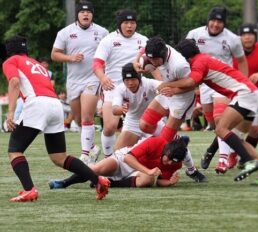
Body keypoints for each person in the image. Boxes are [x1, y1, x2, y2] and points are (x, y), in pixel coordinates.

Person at [2, 35, 110, 202]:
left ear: (8, 51)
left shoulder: (11, 61)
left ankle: (29, 189)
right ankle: (98, 180)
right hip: (55, 105)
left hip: (37, 104)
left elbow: (14, 82)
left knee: (15, 151)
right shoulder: (37, 64)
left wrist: (10, 112)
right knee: (59, 157)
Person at [159, 39, 258, 185]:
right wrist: (174, 90)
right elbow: (192, 84)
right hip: (252, 94)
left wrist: (166, 84)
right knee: (236, 138)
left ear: (186, 57)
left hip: (244, 95)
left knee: (221, 129)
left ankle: (248, 161)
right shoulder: (203, 59)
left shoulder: (199, 62)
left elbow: (190, 82)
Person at [134, 37, 207, 182]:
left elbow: (192, 85)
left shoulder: (180, 65)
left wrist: (173, 90)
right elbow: (142, 52)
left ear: (163, 54)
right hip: (168, 90)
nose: (153, 63)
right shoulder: (157, 49)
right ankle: (178, 140)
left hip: (181, 98)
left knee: (164, 144)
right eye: (151, 59)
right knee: (145, 125)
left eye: (155, 60)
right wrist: (138, 62)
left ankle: (191, 170)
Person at [186, 6, 249, 173]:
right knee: (215, 124)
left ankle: (223, 160)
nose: (215, 24)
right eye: (213, 20)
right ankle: (216, 150)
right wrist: (190, 82)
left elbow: (242, 61)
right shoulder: (195, 34)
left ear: (224, 24)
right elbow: (186, 56)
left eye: (219, 22)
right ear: (208, 20)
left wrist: (243, 84)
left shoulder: (232, 39)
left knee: (221, 119)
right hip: (204, 84)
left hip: (224, 82)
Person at [51, 1, 108, 164]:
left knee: (87, 117)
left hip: (93, 78)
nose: (86, 15)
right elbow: (54, 54)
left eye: (89, 12)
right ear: (77, 15)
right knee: (77, 118)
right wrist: (70, 58)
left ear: (92, 15)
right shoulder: (65, 32)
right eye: (83, 12)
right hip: (73, 81)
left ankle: (85, 155)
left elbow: (110, 53)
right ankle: (93, 148)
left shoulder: (102, 32)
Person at [93, 9, 150, 159]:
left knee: (147, 126)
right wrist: (102, 78)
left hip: (138, 88)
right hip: (113, 87)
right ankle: (107, 158)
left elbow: (153, 64)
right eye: (126, 23)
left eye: (132, 23)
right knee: (110, 126)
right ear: (120, 24)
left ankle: (139, 157)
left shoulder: (143, 40)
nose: (129, 26)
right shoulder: (108, 40)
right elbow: (97, 64)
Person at [49, 136, 187, 189]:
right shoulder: (156, 142)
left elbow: (159, 182)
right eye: (168, 158)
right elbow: (128, 158)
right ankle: (64, 183)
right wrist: (148, 170)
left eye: (172, 162)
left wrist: (169, 182)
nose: (168, 163)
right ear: (167, 149)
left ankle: (109, 184)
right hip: (124, 160)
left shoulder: (176, 163)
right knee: (97, 169)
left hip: (137, 171)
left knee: (148, 180)